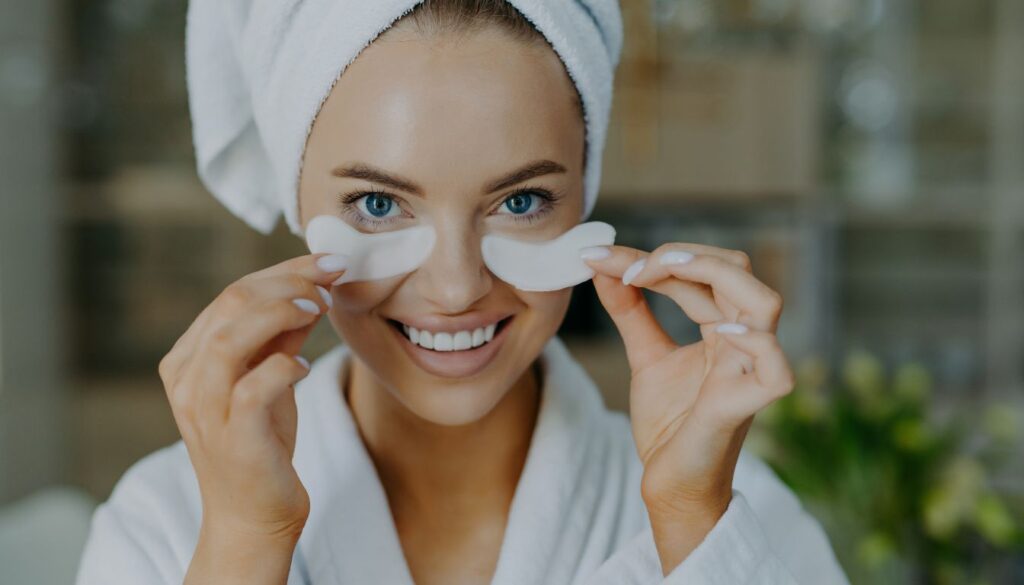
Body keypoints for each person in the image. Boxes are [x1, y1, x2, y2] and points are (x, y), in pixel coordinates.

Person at [75, 1, 850, 584]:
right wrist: (245, 539)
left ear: (586, 194)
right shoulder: (169, 518)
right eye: (378, 205)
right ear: (297, 206)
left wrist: (689, 520)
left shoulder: (730, 507)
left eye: (521, 202)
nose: (455, 287)